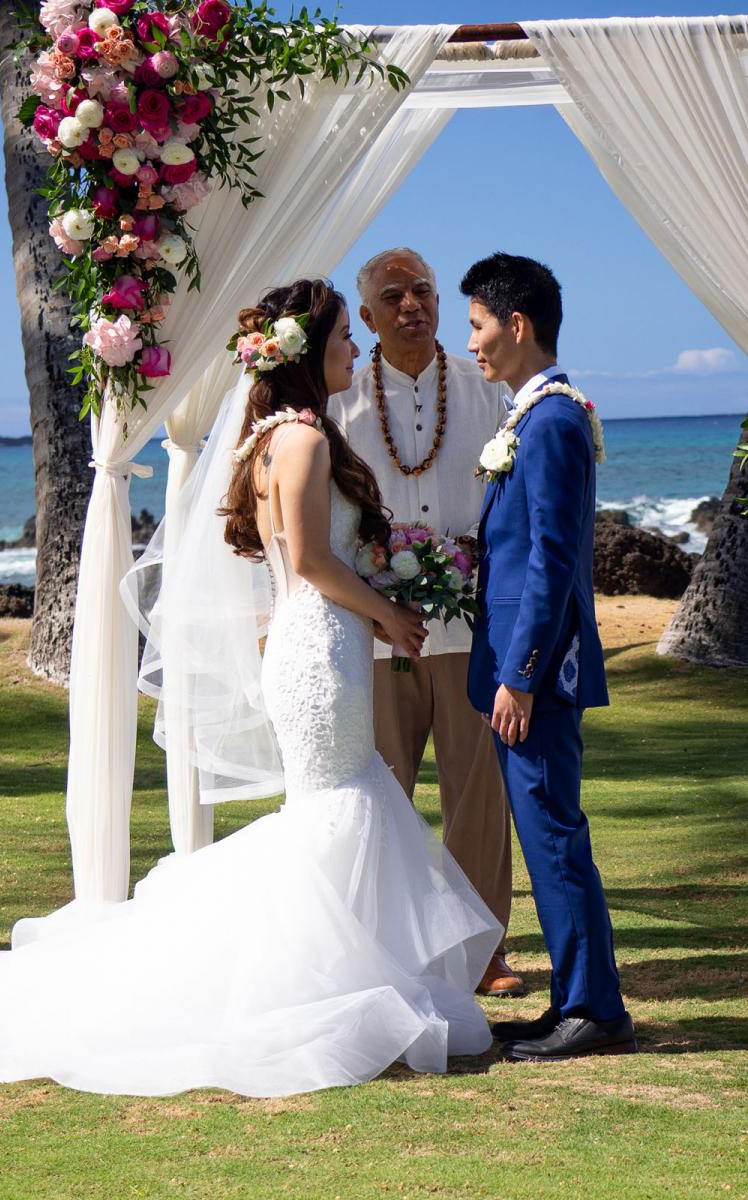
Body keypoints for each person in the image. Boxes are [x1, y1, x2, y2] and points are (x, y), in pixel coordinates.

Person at [0, 279, 502, 1098]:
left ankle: (345, 971)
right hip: (317, 650)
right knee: (339, 805)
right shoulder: (303, 439)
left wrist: (370, 611)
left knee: (340, 803)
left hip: (317, 644)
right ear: (308, 352)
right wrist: (389, 614)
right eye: (343, 335)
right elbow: (310, 560)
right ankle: (311, 983)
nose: (353, 349)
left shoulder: (274, 434)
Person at [329, 248, 523, 1000]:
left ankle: (483, 951)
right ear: (367, 315)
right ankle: (386, 951)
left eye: (423, 291)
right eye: (393, 295)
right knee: (381, 796)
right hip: (376, 631)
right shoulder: (341, 400)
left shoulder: (486, 387)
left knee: (480, 794)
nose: (411, 304)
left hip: (472, 629)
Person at [462, 252, 636, 1061]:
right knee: (546, 836)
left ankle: (595, 1010)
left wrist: (521, 676)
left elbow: (553, 561)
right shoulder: (533, 416)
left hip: (537, 677)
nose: (472, 343)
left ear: (517, 323)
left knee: (555, 836)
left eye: (477, 326)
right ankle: (574, 999)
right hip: (520, 669)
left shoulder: (555, 420)